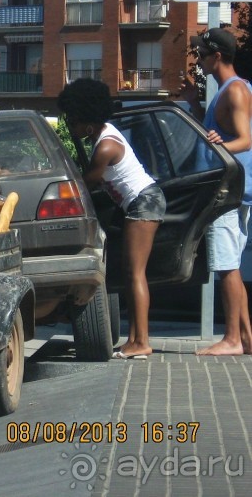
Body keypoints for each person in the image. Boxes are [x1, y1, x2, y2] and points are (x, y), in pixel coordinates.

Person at [58, 78, 166, 359]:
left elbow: (83, 185)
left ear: (87, 123)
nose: (71, 125)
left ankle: (142, 341)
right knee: (131, 274)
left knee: (134, 273)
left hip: (144, 202)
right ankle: (134, 339)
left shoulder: (105, 148)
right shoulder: (103, 134)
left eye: (73, 120)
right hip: (142, 202)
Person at [180, 27, 252, 356]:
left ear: (218, 57)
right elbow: (215, 133)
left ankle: (232, 339)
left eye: (202, 55)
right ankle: (246, 339)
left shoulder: (235, 91)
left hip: (230, 192)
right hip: (233, 189)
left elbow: (245, 139)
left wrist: (224, 146)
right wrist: (195, 103)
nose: (199, 60)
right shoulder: (226, 91)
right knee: (230, 264)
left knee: (227, 266)